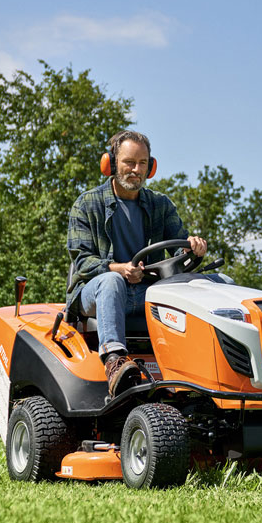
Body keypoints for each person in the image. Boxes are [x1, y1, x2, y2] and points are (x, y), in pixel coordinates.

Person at [66, 130, 207, 396]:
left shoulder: (160, 205)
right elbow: (83, 262)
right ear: (110, 164)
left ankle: (205, 366)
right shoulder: (86, 204)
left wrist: (195, 247)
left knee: (210, 284)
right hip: (94, 293)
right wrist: (118, 268)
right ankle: (115, 361)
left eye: (142, 163)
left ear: (151, 167)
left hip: (146, 291)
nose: (136, 169)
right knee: (112, 282)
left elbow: (180, 247)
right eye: (129, 162)